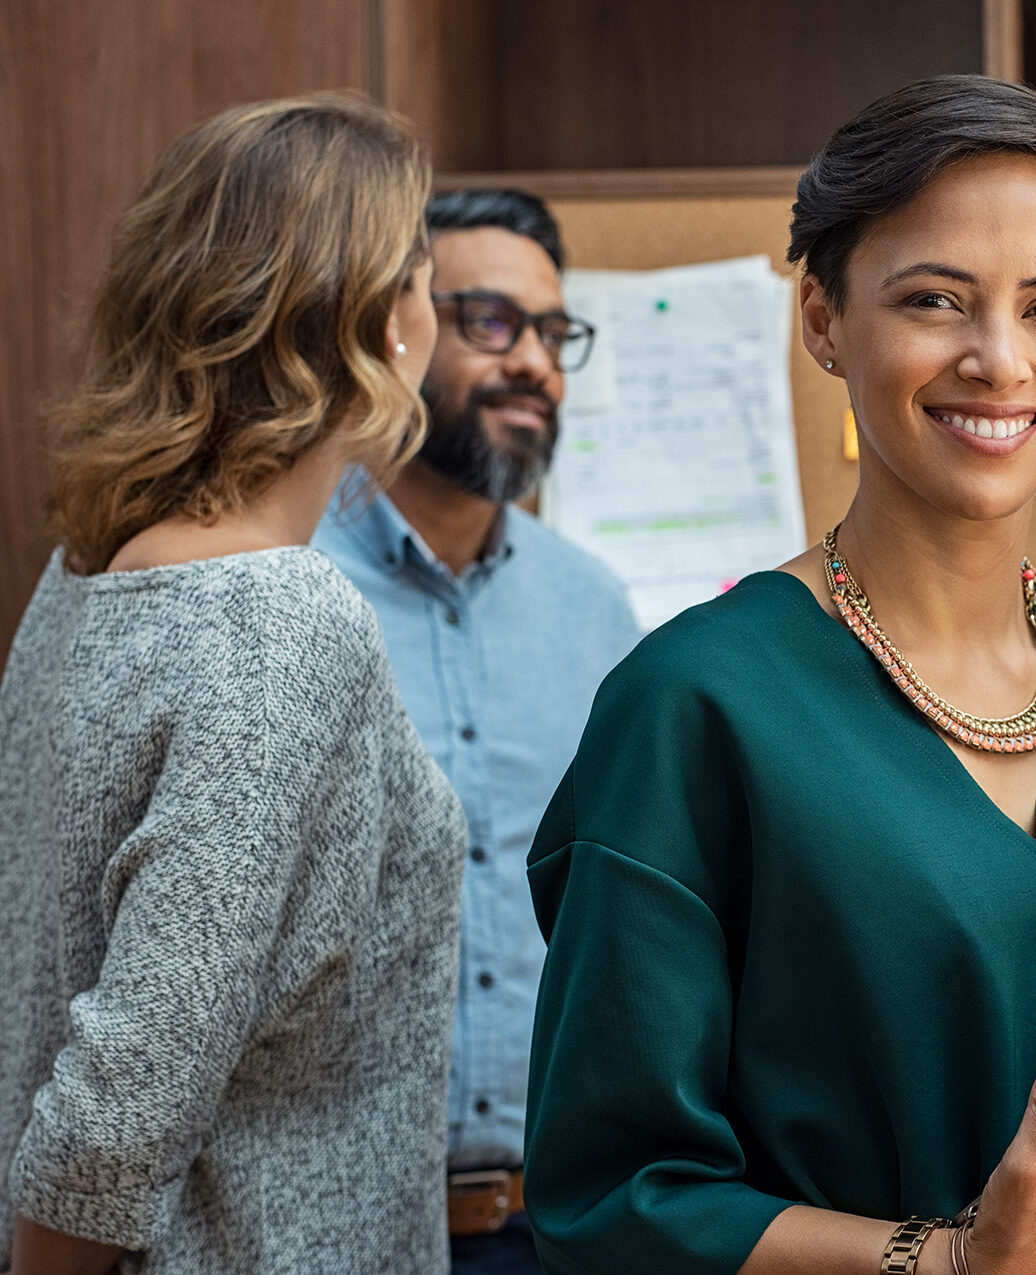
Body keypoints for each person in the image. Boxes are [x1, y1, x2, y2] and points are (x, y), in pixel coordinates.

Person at [520, 75, 1036, 1275]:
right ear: (823, 322)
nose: (1000, 362)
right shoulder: (695, 707)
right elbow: (615, 1201)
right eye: (934, 300)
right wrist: (950, 1261)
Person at [0, 95, 467, 1273]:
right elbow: (122, 1097)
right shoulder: (281, 621)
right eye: (423, 273)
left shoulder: (83, 577)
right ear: (379, 321)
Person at [311, 187, 639, 1272]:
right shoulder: (282, 588)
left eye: (553, 333)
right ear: (392, 332)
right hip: (336, 1228)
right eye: (491, 322)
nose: (534, 363)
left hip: (560, 1228)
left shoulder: (592, 609)